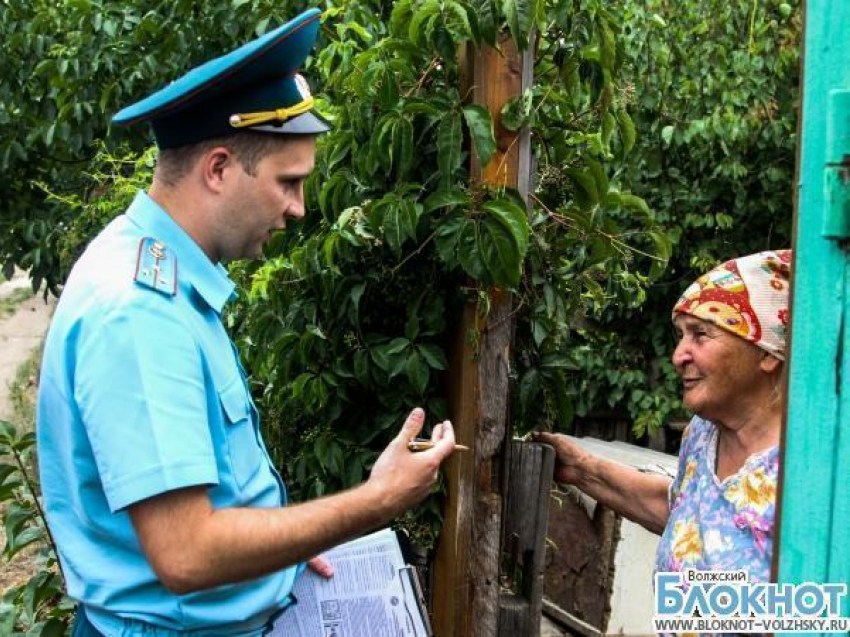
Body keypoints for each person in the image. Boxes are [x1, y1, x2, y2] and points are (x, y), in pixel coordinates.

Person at [36, 8, 456, 636]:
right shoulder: (139, 314)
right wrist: (372, 504)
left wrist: (277, 551)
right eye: (289, 183)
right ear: (219, 168)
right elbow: (188, 552)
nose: (298, 209)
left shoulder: (164, 273)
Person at [536, 249, 791, 584]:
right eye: (681, 336)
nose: (678, 355)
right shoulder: (703, 435)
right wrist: (582, 469)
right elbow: (686, 513)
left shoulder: (806, 470)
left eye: (700, 334)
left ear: (767, 352)